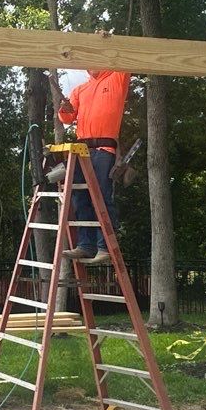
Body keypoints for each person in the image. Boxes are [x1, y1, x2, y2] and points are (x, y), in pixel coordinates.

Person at [57, 68, 131, 264]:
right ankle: (86, 245)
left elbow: (122, 59)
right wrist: (64, 108)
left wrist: (105, 40)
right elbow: (66, 118)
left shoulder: (117, 76)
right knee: (80, 197)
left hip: (105, 148)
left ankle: (104, 247)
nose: (90, 67)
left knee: (103, 196)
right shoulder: (81, 89)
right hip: (82, 150)